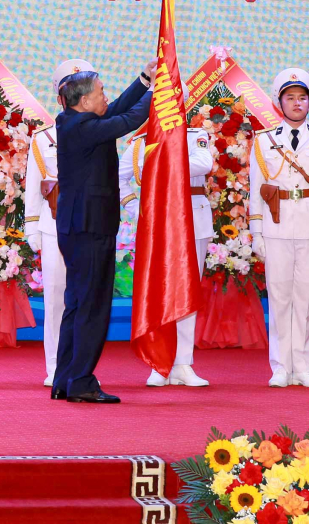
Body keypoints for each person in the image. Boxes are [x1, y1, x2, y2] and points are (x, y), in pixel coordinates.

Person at [52, 58, 155, 404]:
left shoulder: (76, 120)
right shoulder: (81, 127)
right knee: (92, 306)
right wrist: (161, 91)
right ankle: (81, 381)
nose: (105, 96)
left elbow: (119, 109)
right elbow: (129, 119)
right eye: (101, 92)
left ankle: (65, 379)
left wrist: (145, 80)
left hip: (80, 227)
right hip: (90, 227)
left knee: (77, 304)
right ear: (84, 101)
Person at [248, 69, 309, 388]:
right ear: (279, 102)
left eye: (302, 98)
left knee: (305, 299)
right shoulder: (264, 140)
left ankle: (303, 367)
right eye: (290, 98)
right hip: (276, 226)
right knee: (279, 298)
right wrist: (256, 232)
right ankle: (279, 367)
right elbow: (256, 189)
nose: (297, 103)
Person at [120, 111, 216, 387]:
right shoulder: (140, 142)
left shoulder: (195, 135)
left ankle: (183, 363)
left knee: (188, 291)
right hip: (157, 222)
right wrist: (135, 207)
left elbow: (204, 163)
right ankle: (159, 362)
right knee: (158, 290)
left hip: (193, 219)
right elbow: (119, 177)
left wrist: (163, 157)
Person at [23, 61, 87, 388]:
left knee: (86, 299)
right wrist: (32, 226)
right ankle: (55, 365)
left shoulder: (100, 131)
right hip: (53, 226)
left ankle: (82, 366)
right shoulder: (44, 138)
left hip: (88, 226)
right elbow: (35, 184)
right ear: (60, 97)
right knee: (56, 296)